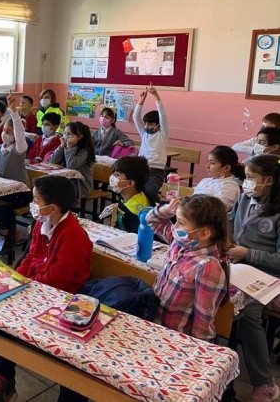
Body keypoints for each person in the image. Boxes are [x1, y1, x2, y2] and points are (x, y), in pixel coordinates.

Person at [0, 175, 92, 402]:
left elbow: (57, 280)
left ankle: (4, 380)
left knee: (3, 323)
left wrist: (24, 286)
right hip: (36, 290)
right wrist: (15, 280)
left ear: (53, 208)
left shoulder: (73, 235)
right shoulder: (42, 224)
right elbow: (31, 257)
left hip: (60, 300)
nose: (32, 205)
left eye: (36, 201)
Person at [229, 154, 280, 401]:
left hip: (271, 275)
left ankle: (265, 383)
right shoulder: (245, 198)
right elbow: (230, 223)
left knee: (247, 311)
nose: (246, 183)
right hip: (240, 266)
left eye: (251, 177)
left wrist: (248, 253)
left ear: (269, 180)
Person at [147, 195, 229, 342]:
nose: (174, 227)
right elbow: (151, 220)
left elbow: (203, 321)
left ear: (203, 233)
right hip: (154, 323)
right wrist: (167, 210)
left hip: (175, 338)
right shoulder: (179, 244)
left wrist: (195, 346)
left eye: (180, 222)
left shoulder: (207, 267)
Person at [0, 95, 32, 245]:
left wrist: (14, 113)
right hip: (4, 190)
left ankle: (9, 237)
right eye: (4, 130)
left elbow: (19, 133)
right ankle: (9, 233)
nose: (5, 134)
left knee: (3, 207)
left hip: (21, 192)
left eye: (9, 132)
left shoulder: (19, 149)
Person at [132, 84, 168, 204]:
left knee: (150, 190)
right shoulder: (144, 133)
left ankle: (159, 208)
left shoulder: (162, 134)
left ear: (158, 125)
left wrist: (156, 96)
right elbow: (136, 117)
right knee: (134, 188)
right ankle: (140, 208)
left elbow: (162, 115)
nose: (147, 126)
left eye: (151, 124)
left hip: (156, 171)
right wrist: (141, 101)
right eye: (145, 123)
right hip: (142, 168)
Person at [50, 121, 95, 199]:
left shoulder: (84, 151)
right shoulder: (65, 147)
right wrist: (61, 147)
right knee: (48, 187)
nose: (65, 136)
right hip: (66, 180)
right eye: (65, 133)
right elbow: (52, 162)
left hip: (80, 184)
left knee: (56, 192)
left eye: (69, 134)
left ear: (79, 137)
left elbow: (71, 165)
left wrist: (70, 148)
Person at [193, 145, 244, 212]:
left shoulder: (230, 186)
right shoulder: (205, 181)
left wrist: (190, 205)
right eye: (208, 162)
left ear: (226, 168)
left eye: (212, 163)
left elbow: (218, 209)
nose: (207, 166)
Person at [109, 156, 150, 232]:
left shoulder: (136, 210)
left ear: (130, 183)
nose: (112, 177)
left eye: (117, 175)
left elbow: (135, 235)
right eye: (113, 173)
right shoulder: (125, 196)